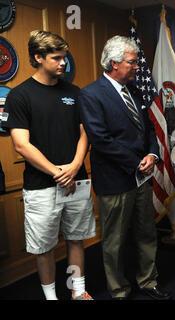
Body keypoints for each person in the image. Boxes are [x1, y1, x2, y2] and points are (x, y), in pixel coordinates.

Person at [3, 30, 95, 300]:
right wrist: (57, 172)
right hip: (41, 187)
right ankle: (51, 297)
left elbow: (84, 133)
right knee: (44, 247)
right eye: (56, 58)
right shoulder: (19, 95)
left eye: (64, 58)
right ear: (38, 57)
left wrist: (76, 165)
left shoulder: (75, 92)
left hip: (76, 180)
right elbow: (21, 144)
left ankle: (78, 292)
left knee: (76, 239)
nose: (63, 63)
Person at [78, 36, 170, 300]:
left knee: (146, 232)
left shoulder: (136, 91)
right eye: (132, 62)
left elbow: (150, 128)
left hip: (142, 177)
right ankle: (119, 291)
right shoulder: (91, 94)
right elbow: (100, 138)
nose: (137, 67)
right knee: (115, 241)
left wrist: (152, 153)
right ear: (114, 63)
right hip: (114, 179)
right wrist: (135, 163)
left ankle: (148, 281)